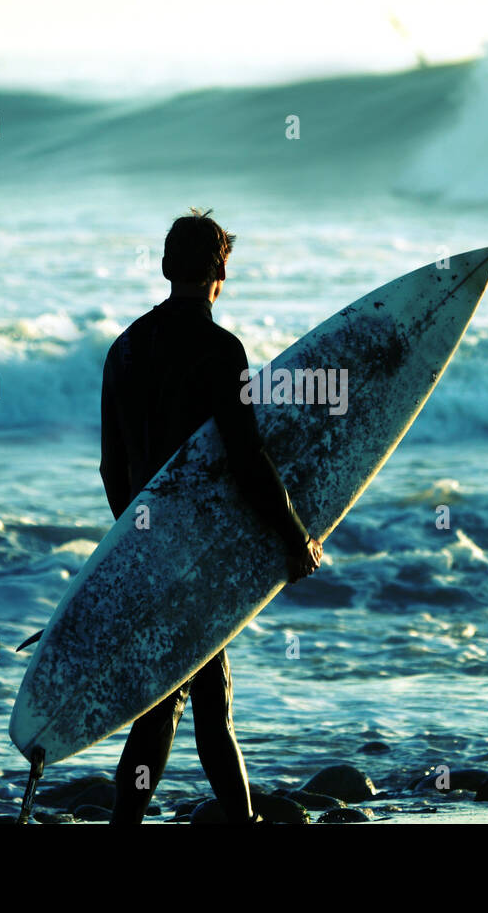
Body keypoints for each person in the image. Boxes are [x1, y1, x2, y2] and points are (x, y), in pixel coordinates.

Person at [100, 208, 323, 824]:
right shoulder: (222, 351)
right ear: (220, 270)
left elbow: (110, 468)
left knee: (166, 699)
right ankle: (237, 822)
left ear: (169, 268)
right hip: (197, 555)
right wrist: (295, 537)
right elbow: (247, 459)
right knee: (206, 703)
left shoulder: (122, 352)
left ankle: (129, 821)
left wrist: (136, 540)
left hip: (146, 550)